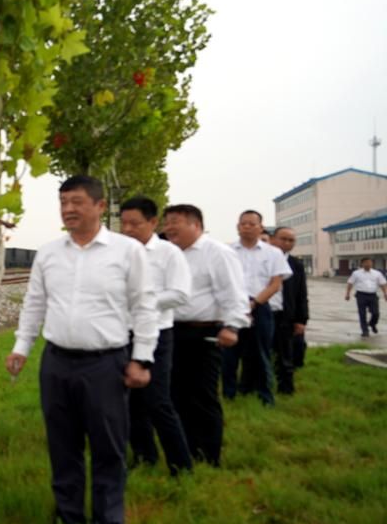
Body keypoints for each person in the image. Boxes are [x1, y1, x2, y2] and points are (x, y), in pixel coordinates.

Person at [5, 176, 157, 524]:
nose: (68, 209)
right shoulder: (49, 253)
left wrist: (142, 359)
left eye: (76, 202)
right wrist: (21, 347)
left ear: (100, 206)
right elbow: (35, 303)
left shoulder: (126, 251)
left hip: (105, 364)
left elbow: (144, 306)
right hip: (57, 362)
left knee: (108, 446)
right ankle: (69, 518)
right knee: (62, 444)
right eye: (63, 202)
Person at [162, 205, 247, 466]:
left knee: (202, 395)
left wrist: (232, 326)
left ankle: (209, 456)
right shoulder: (168, 253)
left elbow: (234, 292)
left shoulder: (217, 253)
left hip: (204, 332)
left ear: (196, 225)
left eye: (175, 222)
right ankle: (185, 450)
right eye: (166, 222)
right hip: (171, 331)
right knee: (175, 395)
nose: (169, 228)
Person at [118, 196, 194, 476]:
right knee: (130, 401)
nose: (128, 229)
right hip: (122, 333)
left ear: (153, 222)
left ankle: (181, 465)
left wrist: (142, 302)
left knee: (157, 401)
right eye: (124, 223)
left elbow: (180, 294)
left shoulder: (168, 253)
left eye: (135, 224)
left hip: (157, 334)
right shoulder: (118, 251)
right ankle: (144, 456)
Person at [223, 210, 292, 406]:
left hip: (260, 306)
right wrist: (238, 305)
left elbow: (275, 284)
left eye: (252, 224)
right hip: (232, 306)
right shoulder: (227, 251)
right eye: (243, 223)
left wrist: (253, 304)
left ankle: (265, 397)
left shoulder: (273, 253)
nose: (247, 227)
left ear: (261, 227)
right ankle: (229, 395)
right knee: (229, 354)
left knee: (262, 353)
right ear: (237, 226)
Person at [268, 227, 308, 394]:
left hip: (286, 316)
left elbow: (301, 294)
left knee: (285, 354)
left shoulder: (296, 264)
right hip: (264, 312)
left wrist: (301, 320)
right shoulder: (264, 259)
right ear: (273, 239)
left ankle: (286, 389)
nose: (287, 243)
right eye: (283, 239)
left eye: (291, 240)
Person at [345, 257, 387, 337]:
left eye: (370, 262)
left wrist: (385, 293)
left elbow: (383, 284)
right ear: (362, 264)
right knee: (362, 313)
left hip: (373, 295)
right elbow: (350, 283)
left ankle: (372, 323)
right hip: (361, 295)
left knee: (376, 313)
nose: (368, 264)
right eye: (366, 262)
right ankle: (365, 331)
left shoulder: (377, 273)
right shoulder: (356, 273)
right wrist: (347, 294)